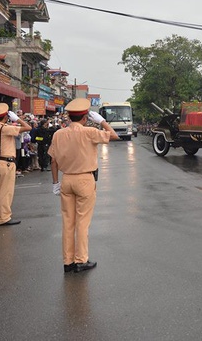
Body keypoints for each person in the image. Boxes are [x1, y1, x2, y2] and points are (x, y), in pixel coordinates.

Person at [48, 98, 118, 273]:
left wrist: (55, 182)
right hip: (85, 179)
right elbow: (115, 135)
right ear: (86, 118)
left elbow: (53, 161)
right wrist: (102, 121)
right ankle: (81, 260)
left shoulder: (58, 134)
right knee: (82, 222)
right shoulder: (89, 132)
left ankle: (68, 261)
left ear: (70, 117)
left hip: (67, 179)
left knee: (68, 222)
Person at [0, 103, 31, 226]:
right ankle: (4, 217)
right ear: (6, 117)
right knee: (6, 191)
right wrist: (18, 119)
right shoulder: (5, 128)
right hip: (6, 163)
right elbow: (28, 127)